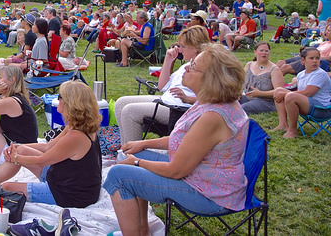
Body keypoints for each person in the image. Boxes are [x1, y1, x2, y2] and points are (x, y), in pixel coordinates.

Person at [104, 44, 249, 236]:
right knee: (131, 154)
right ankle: (142, 231)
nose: (186, 67)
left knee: (118, 175)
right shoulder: (209, 101)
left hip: (210, 194)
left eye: (193, 66)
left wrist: (138, 162)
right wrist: (143, 144)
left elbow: (176, 170)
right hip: (203, 176)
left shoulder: (213, 117)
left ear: (210, 79)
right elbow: (182, 140)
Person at [0, 81, 102, 209]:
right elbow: (46, 147)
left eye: (59, 97)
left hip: (70, 195)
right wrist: (18, 149)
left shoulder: (76, 136)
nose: (56, 99)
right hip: (66, 179)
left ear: (69, 103)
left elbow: (43, 160)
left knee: (8, 187)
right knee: (22, 148)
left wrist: (16, 157)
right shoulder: (77, 126)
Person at [114, 26, 209, 143]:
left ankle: (131, 154)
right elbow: (162, 87)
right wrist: (168, 60)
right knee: (120, 103)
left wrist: (188, 99)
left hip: (179, 109)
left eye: (183, 46)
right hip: (166, 100)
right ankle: (124, 149)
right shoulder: (187, 65)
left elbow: (213, 100)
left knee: (129, 111)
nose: (179, 49)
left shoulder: (205, 69)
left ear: (196, 47)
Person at [273, 47, 331, 138]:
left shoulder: (320, 74)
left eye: (317, 58)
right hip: (308, 104)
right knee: (278, 91)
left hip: (321, 109)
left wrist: (285, 94)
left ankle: (293, 130)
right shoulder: (301, 74)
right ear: (303, 60)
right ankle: (283, 124)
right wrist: (283, 93)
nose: (315, 61)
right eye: (311, 58)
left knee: (290, 96)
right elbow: (302, 93)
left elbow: (308, 93)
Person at [239, 42, 284, 114]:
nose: (264, 53)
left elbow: (280, 92)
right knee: (228, 103)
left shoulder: (274, 69)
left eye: (266, 51)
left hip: (266, 101)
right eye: (261, 50)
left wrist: (260, 93)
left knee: (242, 108)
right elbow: (241, 81)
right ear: (255, 52)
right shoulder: (249, 65)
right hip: (248, 97)